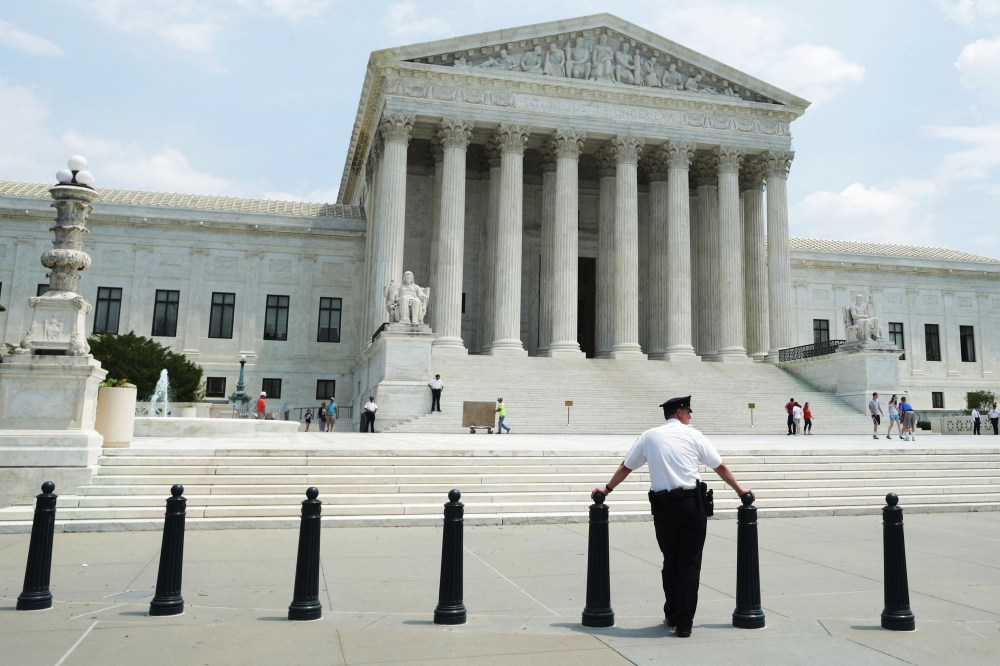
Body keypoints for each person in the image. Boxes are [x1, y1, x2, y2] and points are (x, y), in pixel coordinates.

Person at [592, 396, 753, 638]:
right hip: (691, 506)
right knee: (689, 564)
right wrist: (740, 490)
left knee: (670, 561)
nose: (690, 415)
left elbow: (626, 466)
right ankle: (684, 622)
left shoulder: (649, 436)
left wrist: (607, 488)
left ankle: (672, 611)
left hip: (664, 509)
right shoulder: (693, 435)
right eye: (688, 411)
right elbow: (720, 466)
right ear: (679, 412)